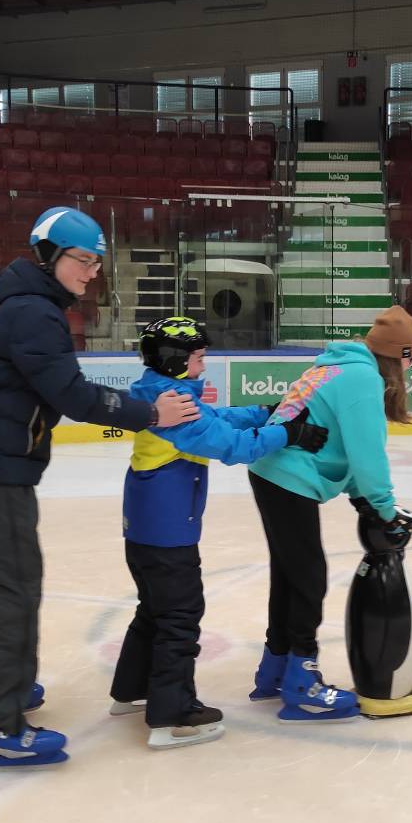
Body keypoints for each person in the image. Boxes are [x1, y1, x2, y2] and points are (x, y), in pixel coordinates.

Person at [0, 206, 201, 769]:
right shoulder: (36, 316)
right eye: (82, 261)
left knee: (0, 585)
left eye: (96, 263)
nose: (92, 273)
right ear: (48, 256)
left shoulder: (32, 308)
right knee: (14, 588)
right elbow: (74, 395)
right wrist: (150, 414)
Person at [109, 316, 329, 749]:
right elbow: (234, 446)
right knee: (179, 616)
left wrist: (264, 412)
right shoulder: (175, 406)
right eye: (197, 358)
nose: (203, 366)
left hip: (147, 528)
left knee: (154, 610)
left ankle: (131, 690)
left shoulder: (163, 393)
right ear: (175, 360)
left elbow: (220, 418)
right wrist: (289, 432)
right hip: (167, 531)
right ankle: (173, 715)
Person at [246, 306, 412, 721]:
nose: (410, 367)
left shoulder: (338, 367)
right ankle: (301, 682)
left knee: (290, 577)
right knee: (309, 580)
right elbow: (366, 452)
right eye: (411, 358)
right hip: (289, 477)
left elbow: (338, 446)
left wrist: (362, 497)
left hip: (272, 472)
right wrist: (382, 506)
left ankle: (274, 668)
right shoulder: (363, 378)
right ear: (399, 355)